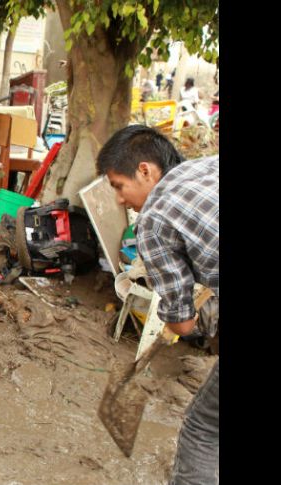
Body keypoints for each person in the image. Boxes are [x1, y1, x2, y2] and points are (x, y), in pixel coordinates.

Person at [97, 125, 218, 485]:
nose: (119, 199)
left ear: (145, 170)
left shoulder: (152, 221)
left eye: (119, 186)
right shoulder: (206, 167)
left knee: (203, 428)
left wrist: (191, 320)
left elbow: (182, 325)